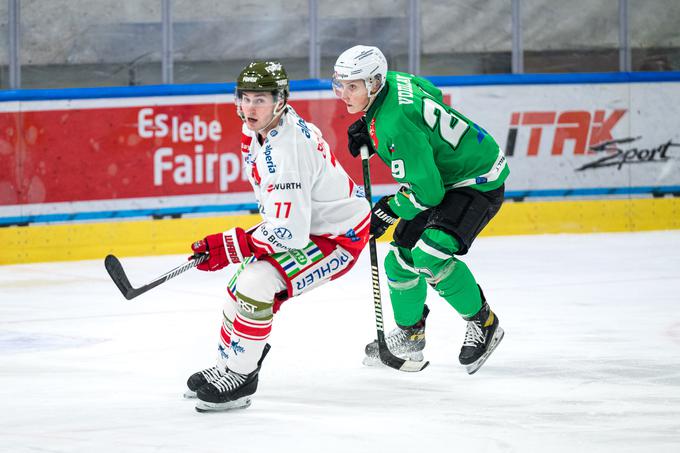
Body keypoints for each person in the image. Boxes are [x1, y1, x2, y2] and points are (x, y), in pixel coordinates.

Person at [186, 60, 370, 412]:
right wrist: (237, 245)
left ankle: (241, 377)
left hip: (337, 237)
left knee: (256, 283)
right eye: (245, 98)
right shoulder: (258, 128)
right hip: (309, 224)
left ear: (280, 100)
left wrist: (231, 245)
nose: (249, 107)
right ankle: (228, 364)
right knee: (238, 283)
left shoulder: (286, 150)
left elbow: (291, 233)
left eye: (259, 100)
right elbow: (286, 217)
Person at [332, 45, 509, 375]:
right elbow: (432, 93)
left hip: (477, 180)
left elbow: (428, 193)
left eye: (352, 85)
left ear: (373, 83)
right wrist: (369, 124)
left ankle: (484, 323)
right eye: (340, 84)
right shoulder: (395, 82)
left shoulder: (393, 125)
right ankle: (412, 335)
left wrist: (388, 209)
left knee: (429, 254)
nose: (344, 93)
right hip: (446, 177)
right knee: (399, 260)